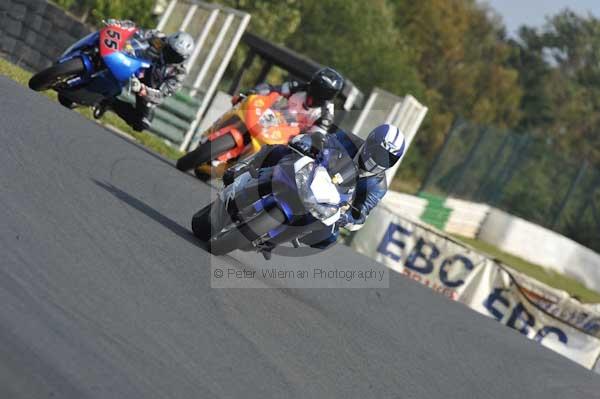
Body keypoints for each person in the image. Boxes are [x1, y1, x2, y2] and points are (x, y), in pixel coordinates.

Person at [212, 123, 405, 251]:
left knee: (329, 237)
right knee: (279, 150)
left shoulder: (378, 185)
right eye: (377, 152)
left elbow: (361, 215)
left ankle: (273, 240)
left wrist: (347, 218)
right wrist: (306, 142)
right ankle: (244, 169)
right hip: (309, 175)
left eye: (386, 158)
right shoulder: (347, 139)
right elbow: (319, 139)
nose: (377, 160)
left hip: (327, 202)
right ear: (369, 141)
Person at [92, 19, 194, 131]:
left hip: (147, 87)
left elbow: (160, 96)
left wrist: (142, 89)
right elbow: (136, 30)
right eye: (170, 50)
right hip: (134, 60)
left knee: (142, 123)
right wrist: (119, 25)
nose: (171, 56)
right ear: (168, 43)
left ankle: (109, 102)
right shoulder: (158, 38)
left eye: (176, 56)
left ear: (183, 59)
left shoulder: (179, 74)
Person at [231, 67, 344, 133]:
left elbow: (317, 136)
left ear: (327, 96)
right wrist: (253, 91)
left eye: (317, 91)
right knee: (244, 117)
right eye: (313, 86)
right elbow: (272, 88)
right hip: (271, 119)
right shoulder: (300, 87)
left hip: (287, 139)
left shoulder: (326, 115)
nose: (310, 98)